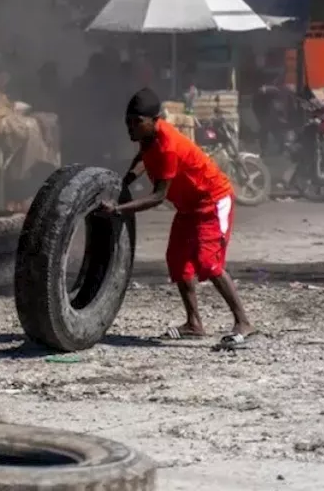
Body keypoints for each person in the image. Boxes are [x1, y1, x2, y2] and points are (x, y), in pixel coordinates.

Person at [96, 87, 257, 346]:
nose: (131, 128)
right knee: (178, 261)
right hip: (188, 207)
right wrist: (126, 180)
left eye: (137, 123)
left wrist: (118, 209)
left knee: (209, 263)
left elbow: (158, 196)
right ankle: (194, 324)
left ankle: (243, 322)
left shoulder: (168, 146)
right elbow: (143, 157)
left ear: (154, 120)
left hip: (212, 202)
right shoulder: (148, 138)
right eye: (128, 122)